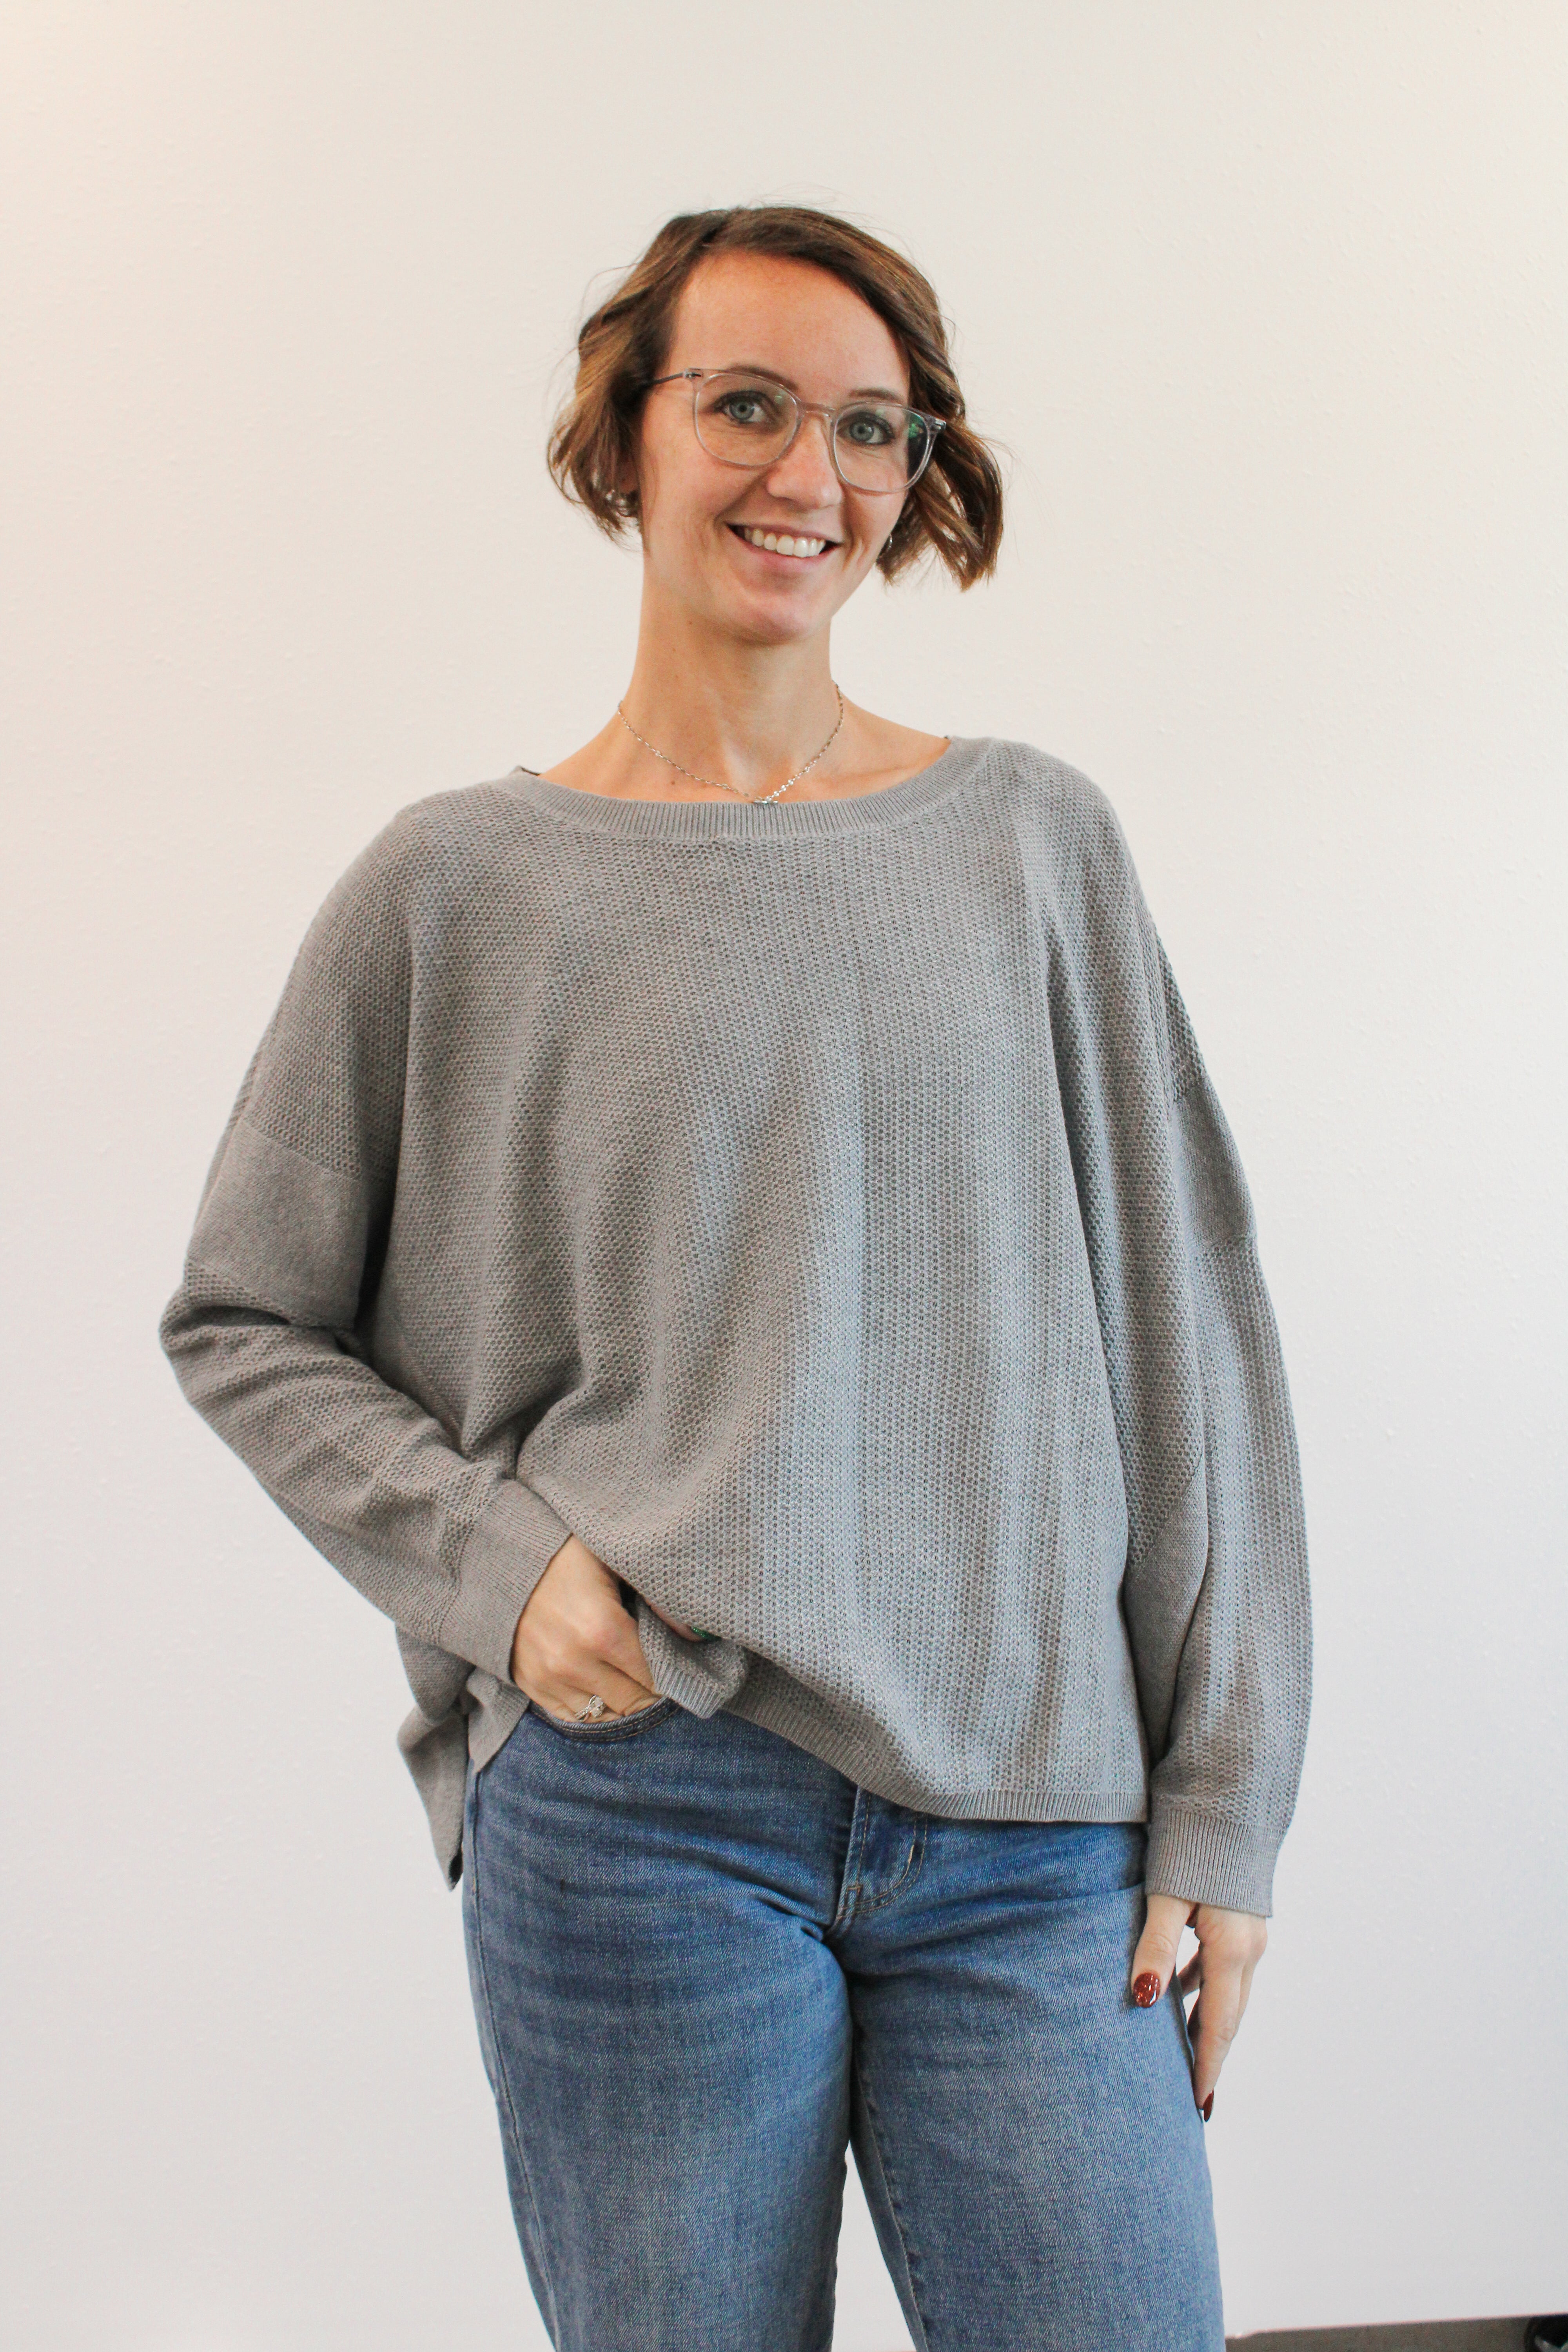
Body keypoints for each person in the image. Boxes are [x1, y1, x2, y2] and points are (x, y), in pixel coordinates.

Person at [159, 203, 1311, 2352]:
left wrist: (1227, 1802)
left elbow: (1196, 1341)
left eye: (871, 429)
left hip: (1033, 1820)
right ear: (627, 433)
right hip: (643, 1818)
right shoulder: (453, 887)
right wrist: (501, 1569)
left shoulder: (1032, 844)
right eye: (751, 405)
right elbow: (245, 1317)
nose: (812, 476)